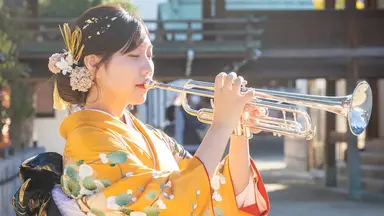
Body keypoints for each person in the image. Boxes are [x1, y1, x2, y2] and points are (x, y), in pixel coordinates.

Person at [12, 4, 270, 216]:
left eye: (149, 54)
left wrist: (237, 129)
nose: (148, 67)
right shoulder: (87, 141)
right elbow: (175, 202)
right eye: (134, 56)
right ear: (93, 64)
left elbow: (212, 191)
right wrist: (220, 125)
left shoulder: (152, 136)